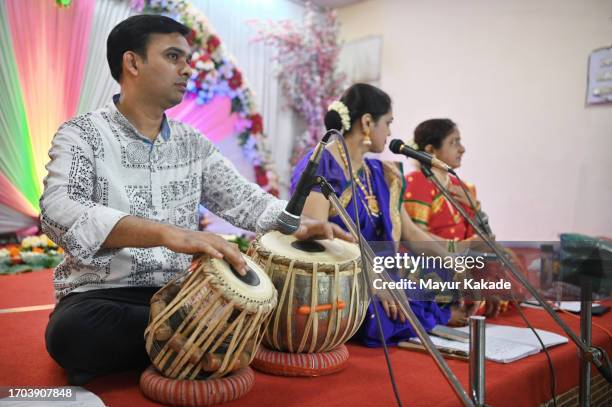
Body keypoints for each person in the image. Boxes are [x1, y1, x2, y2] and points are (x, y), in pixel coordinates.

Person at [41, 15, 351, 385]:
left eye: (187, 59)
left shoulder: (192, 144)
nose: (187, 69)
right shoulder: (83, 135)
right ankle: (202, 342)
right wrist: (168, 234)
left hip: (181, 296)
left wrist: (297, 225)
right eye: (174, 57)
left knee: (255, 305)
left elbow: (246, 201)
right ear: (133, 62)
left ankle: (183, 341)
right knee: (73, 333)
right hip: (104, 296)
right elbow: (59, 210)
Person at [291, 84, 479, 346]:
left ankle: (434, 314)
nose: (390, 132)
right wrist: (373, 281)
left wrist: (455, 266)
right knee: (381, 312)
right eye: (387, 123)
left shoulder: (381, 173)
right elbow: (318, 237)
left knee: (442, 282)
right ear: (367, 122)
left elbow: (410, 233)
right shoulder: (322, 164)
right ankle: (436, 318)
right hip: (344, 280)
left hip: (386, 276)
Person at [404, 118, 509, 319]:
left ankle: (476, 300)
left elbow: (482, 237)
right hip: (436, 260)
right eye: (454, 142)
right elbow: (414, 241)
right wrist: (460, 249)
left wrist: (475, 207)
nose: (462, 149)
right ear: (431, 150)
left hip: (463, 260)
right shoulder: (417, 182)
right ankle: (452, 309)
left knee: (507, 258)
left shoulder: (461, 187)